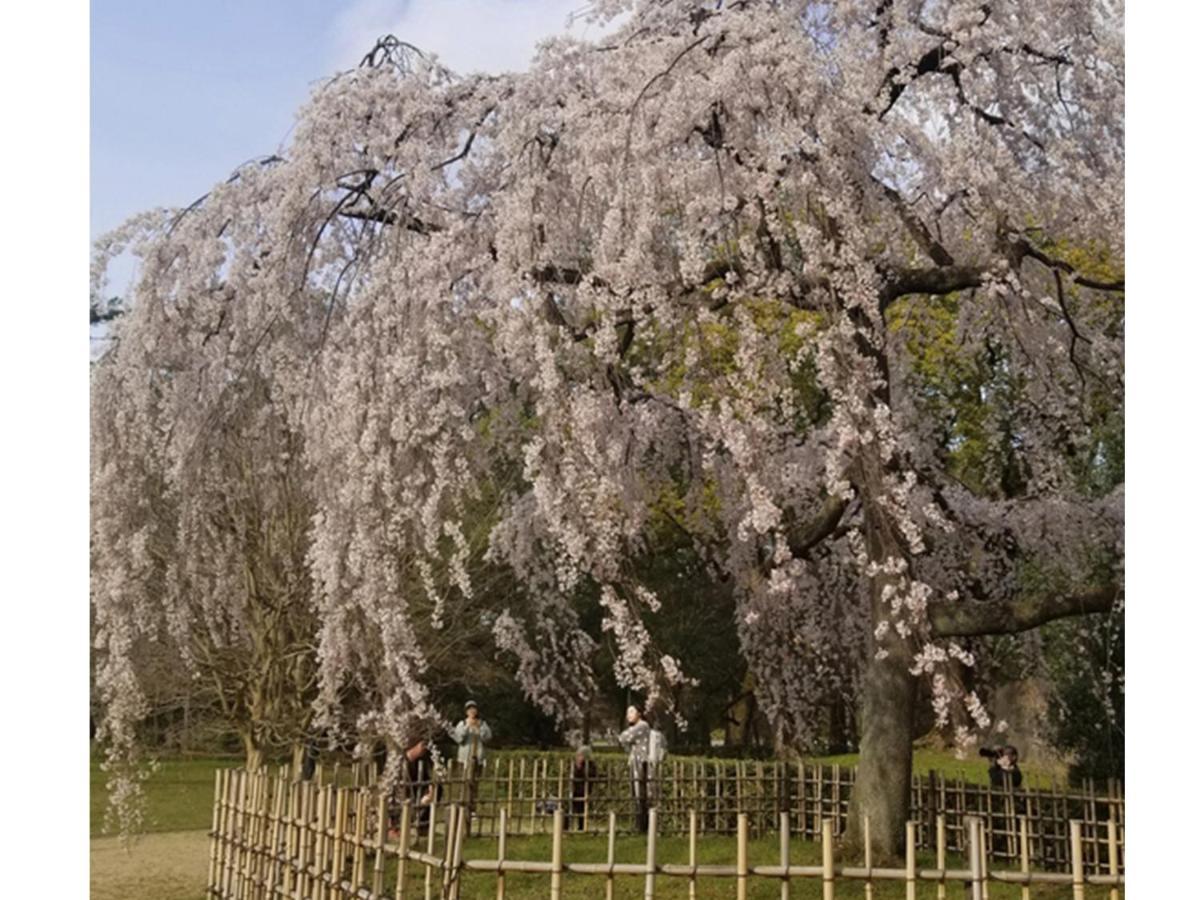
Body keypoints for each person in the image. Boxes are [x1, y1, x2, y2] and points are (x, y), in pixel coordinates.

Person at [619, 705, 653, 832]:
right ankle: (639, 823)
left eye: (632, 712)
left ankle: (643, 825)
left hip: (641, 762)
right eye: (628, 712)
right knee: (636, 793)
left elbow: (624, 737)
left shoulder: (642, 726)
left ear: (639, 713)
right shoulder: (636, 727)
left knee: (641, 793)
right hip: (635, 761)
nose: (629, 715)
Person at [450, 700, 493, 768]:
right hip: (464, 760)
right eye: (469, 709)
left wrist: (479, 729)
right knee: (463, 778)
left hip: (478, 759)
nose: (472, 711)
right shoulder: (462, 724)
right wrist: (467, 726)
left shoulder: (483, 724)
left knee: (478, 777)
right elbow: (458, 739)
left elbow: (488, 738)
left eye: (474, 708)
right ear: (466, 712)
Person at [570, 745, 598, 831]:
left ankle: (581, 827)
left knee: (582, 810)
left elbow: (590, 775)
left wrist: (581, 768)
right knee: (569, 809)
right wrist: (578, 766)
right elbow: (575, 775)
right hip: (576, 789)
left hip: (584, 790)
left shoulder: (591, 765)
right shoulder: (576, 764)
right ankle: (566, 827)